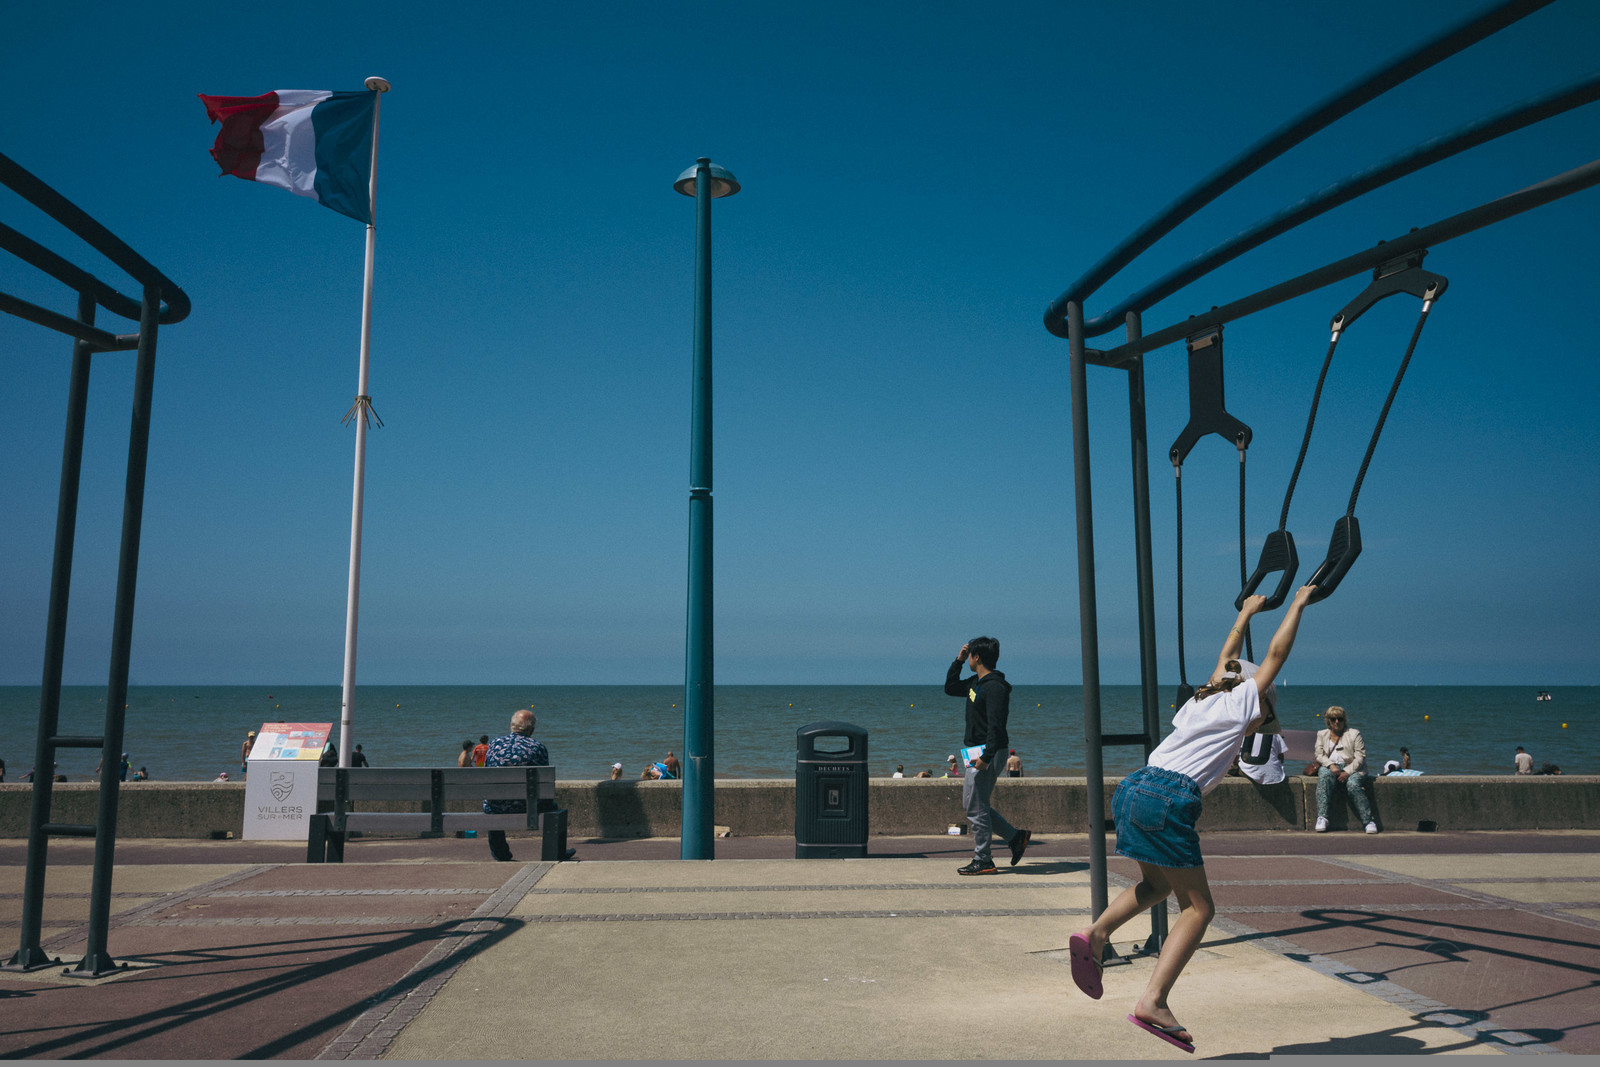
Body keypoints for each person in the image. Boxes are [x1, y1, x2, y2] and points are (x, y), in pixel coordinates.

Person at [1069, 585, 1317, 1054]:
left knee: (1157, 886)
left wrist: (1244, 613)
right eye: (1268, 707)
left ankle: (1095, 933)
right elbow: (1276, 656)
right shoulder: (1242, 701)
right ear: (1252, 693)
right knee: (1200, 909)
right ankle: (1154, 1000)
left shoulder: (1203, 699)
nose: (1267, 713)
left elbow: (1229, 656)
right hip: (1168, 797)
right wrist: (1299, 604)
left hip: (1134, 786)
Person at [943, 636, 1033, 875]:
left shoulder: (995, 687)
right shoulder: (976, 683)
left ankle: (984, 859)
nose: (968, 657)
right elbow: (950, 688)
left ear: (978, 657)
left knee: (975, 807)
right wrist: (958, 661)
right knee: (973, 804)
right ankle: (1016, 837)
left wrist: (988, 756)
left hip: (986, 751)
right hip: (975, 750)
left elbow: (997, 725)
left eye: (969, 654)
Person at [481, 709, 571, 862]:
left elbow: (487, 774)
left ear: (511, 725)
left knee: (492, 803)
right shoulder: (538, 747)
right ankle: (556, 853)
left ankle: (501, 854)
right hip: (529, 807)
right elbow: (543, 784)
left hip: (496, 806)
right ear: (532, 730)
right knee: (555, 808)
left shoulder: (494, 744)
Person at [1313, 706, 1377, 833]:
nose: (1337, 722)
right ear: (1328, 721)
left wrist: (1347, 772)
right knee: (1324, 778)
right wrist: (1331, 765)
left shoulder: (1354, 733)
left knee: (1353, 785)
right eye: (1333, 719)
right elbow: (1319, 755)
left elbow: (1360, 757)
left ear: (1344, 720)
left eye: (1340, 719)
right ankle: (1322, 817)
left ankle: (1368, 820)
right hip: (1331, 766)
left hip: (1353, 768)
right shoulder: (1322, 734)